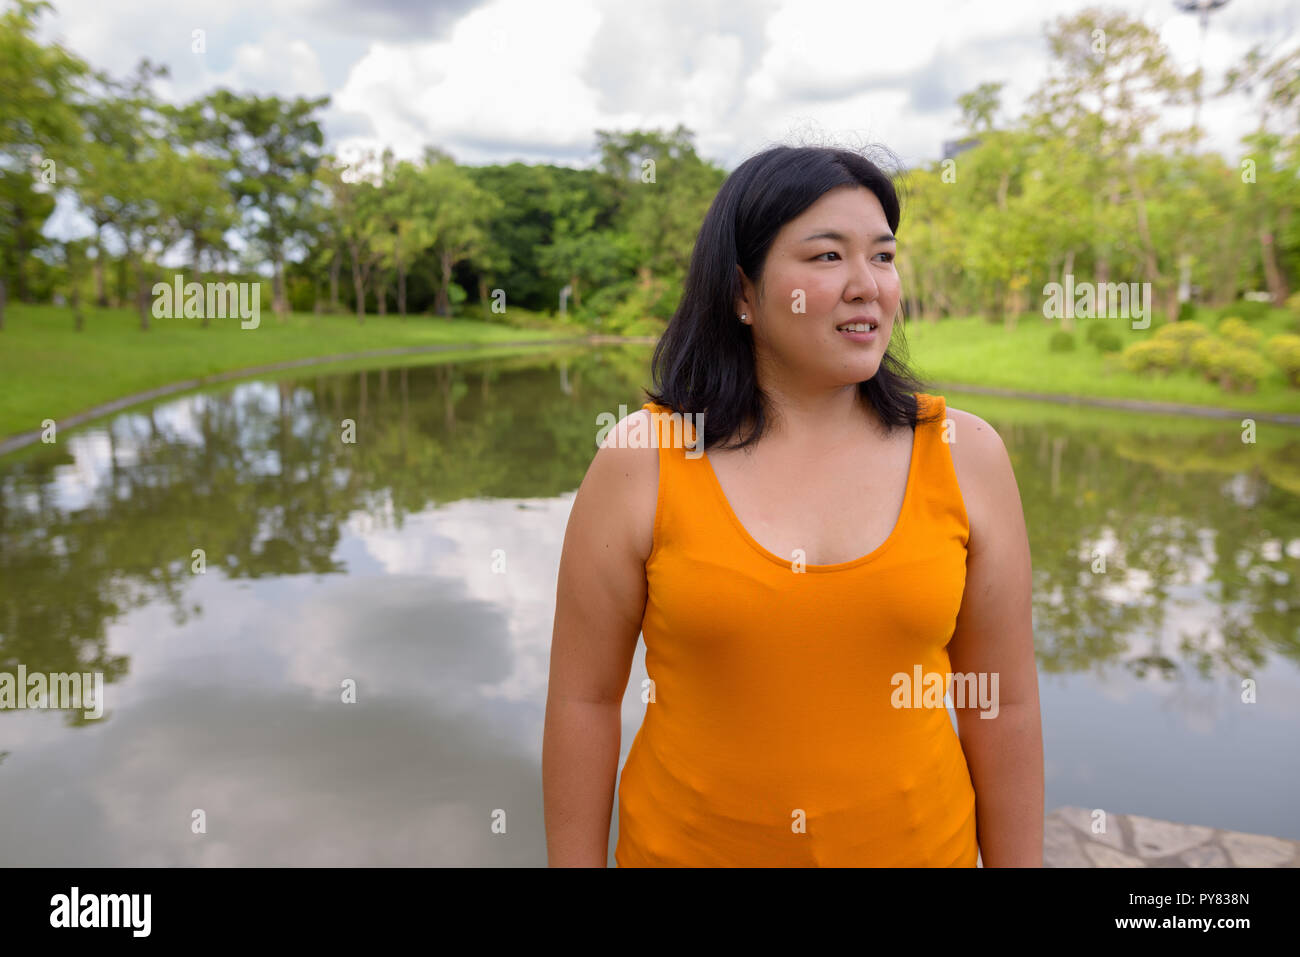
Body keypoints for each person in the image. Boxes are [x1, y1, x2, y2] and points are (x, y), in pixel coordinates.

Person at [543, 144, 1043, 867]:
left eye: (883, 255)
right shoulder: (642, 460)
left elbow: (1002, 704)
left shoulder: (965, 452)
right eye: (827, 257)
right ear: (742, 291)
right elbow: (583, 703)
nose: (867, 284)